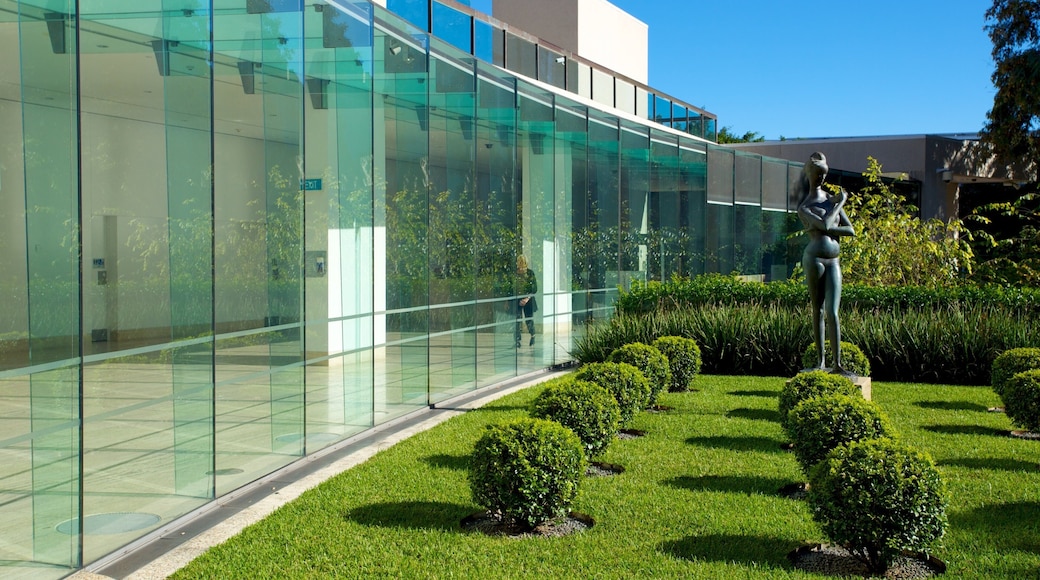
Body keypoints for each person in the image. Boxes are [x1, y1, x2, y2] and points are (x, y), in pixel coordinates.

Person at [798, 152, 856, 374]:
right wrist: (840, 203)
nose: (820, 179)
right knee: (818, 309)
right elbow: (824, 225)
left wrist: (834, 215)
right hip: (814, 260)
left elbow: (850, 230)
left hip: (834, 261)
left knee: (833, 312)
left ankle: (838, 364)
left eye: (823, 175)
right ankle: (821, 362)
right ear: (809, 175)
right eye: (817, 174)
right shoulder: (804, 206)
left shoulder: (830, 201)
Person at [514, 255, 538, 348]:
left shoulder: (530, 273)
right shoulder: (515, 273)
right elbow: (511, 287)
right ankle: (517, 340)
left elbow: (534, 288)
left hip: (528, 300)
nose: (520, 264)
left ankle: (533, 336)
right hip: (517, 299)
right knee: (517, 320)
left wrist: (527, 298)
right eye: (519, 261)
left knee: (529, 319)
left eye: (522, 262)